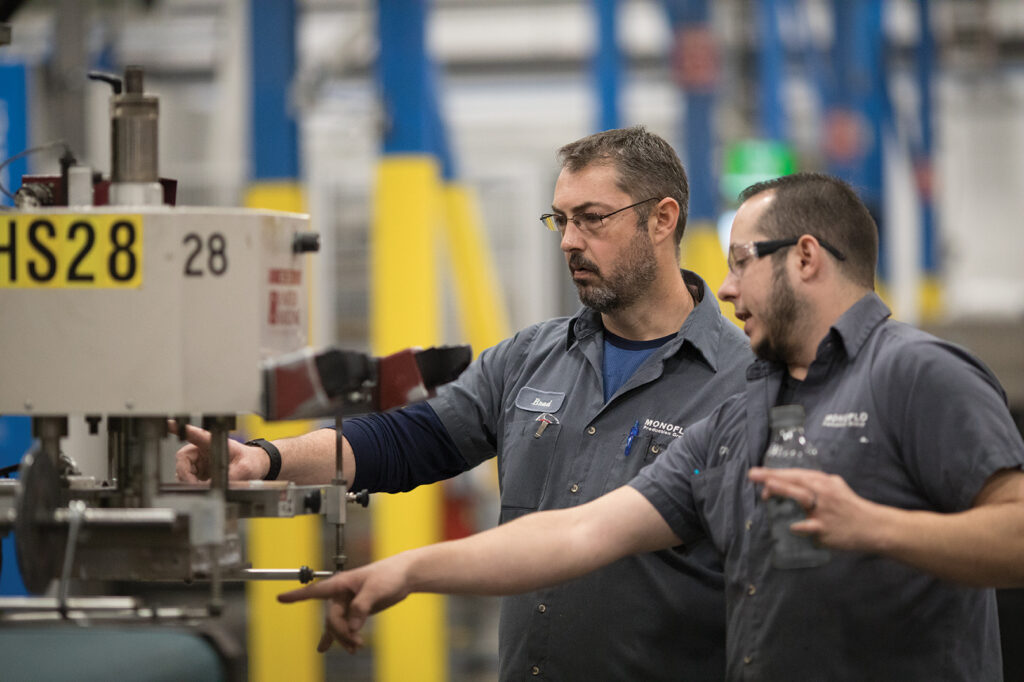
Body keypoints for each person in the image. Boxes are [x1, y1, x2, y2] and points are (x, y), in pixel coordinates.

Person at [278, 172, 1024, 680]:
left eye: (741, 262)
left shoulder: (918, 374)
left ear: (805, 259)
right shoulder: (744, 415)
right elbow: (578, 532)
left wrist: (876, 528)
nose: (726, 287)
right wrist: (407, 571)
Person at [177, 126, 753, 680]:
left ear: (663, 218)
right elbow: (409, 439)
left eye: (592, 219)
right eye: (561, 219)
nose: (569, 241)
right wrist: (264, 460)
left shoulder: (741, 384)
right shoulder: (530, 356)